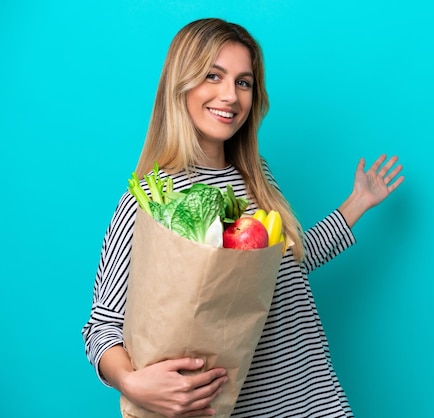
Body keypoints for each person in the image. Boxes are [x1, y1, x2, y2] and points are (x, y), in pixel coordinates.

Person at [82, 17, 404, 418]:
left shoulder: (256, 177)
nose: (230, 96)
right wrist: (131, 382)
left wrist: (356, 204)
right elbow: (102, 325)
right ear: (180, 84)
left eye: (243, 82)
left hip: (320, 401)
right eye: (213, 76)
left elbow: (287, 262)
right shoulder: (150, 200)